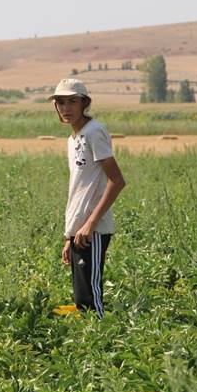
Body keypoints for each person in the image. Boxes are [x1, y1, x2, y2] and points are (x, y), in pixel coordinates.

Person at [50, 78, 126, 318]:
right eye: (60, 102)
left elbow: (117, 181)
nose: (66, 108)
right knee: (81, 298)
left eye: (72, 101)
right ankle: (90, 348)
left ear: (86, 103)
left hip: (92, 229)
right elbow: (80, 189)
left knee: (91, 300)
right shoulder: (72, 139)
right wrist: (68, 236)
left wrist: (90, 225)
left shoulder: (95, 132)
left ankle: (104, 346)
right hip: (78, 231)